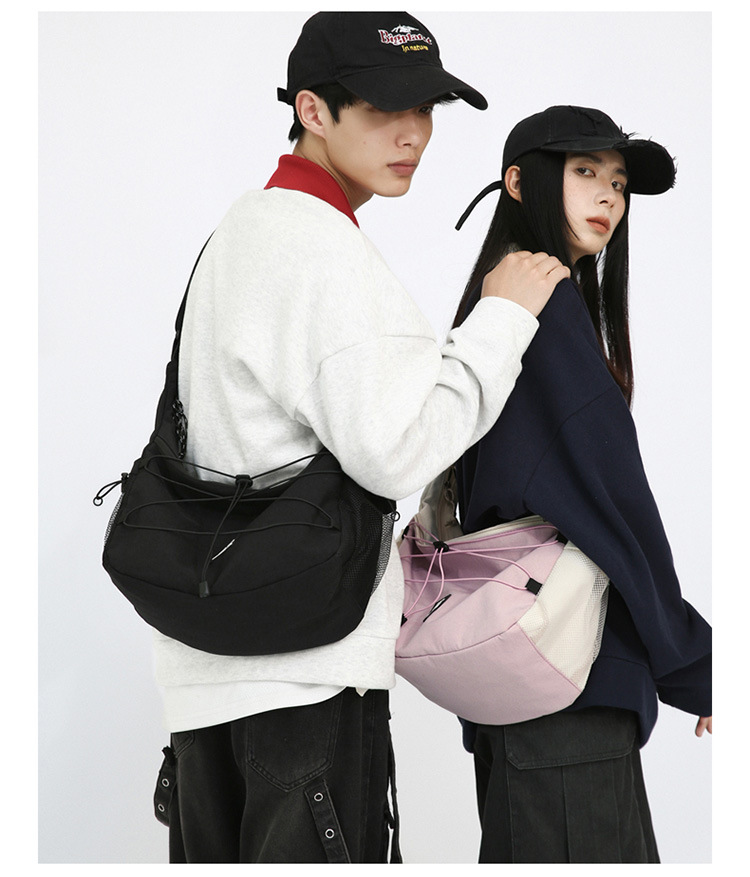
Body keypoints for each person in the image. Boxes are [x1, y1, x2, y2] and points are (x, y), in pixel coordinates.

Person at [152, 13, 569, 864]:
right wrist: (502, 318)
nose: (413, 133)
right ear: (312, 109)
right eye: (385, 108)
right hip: (304, 682)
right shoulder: (322, 249)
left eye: (427, 109)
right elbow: (396, 452)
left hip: (201, 685)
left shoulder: (238, 232)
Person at [450, 105, 712, 864]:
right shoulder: (547, 313)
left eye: (619, 182)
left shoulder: (502, 306)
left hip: (525, 686)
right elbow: (614, 511)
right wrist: (696, 665)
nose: (608, 196)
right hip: (569, 692)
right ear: (519, 182)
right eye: (585, 171)